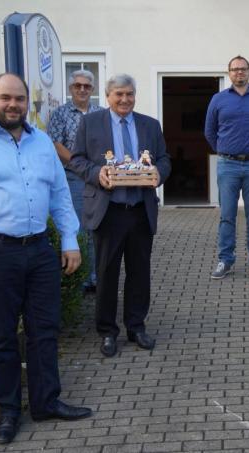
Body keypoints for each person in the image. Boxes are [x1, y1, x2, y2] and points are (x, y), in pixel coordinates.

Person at [0, 73, 93, 444]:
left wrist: (70, 240)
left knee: (45, 330)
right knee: (3, 335)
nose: (13, 105)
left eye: (20, 99)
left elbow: (59, 193)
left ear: (28, 103)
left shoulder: (41, 142)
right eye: (6, 98)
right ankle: (8, 411)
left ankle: (45, 402)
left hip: (40, 250)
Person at [68, 74, 171, 357]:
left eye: (129, 94)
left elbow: (164, 159)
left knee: (139, 273)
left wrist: (158, 174)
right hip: (108, 210)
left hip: (140, 211)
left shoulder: (150, 124)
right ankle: (107, 331)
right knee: (106, 273)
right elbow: (76, 159)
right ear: (108, 95)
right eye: (119, 95)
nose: (124, 99)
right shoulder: (90, 123)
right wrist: (96, 174)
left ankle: (136, 326)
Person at [204, 55, 249, 280]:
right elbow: (209, 131)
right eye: (235, 69)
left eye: (243, 69)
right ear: (229, 73)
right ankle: (225, 260)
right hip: (227, 164)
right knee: (227, 215)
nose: (239, 73)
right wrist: (225, 149)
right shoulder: (218, 99)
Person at [47, 69, 103, 292]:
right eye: (77, 86)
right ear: (71, 88)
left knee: (96, 228)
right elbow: (55, 144)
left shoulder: (100, 113)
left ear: (92, 89)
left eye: (86, 86)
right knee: (78, 227)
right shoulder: (61, 113)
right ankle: (79, 280)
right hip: (73, 178)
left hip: (98, 179)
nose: (82, 89)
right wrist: (82, 165)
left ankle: (96, 278)